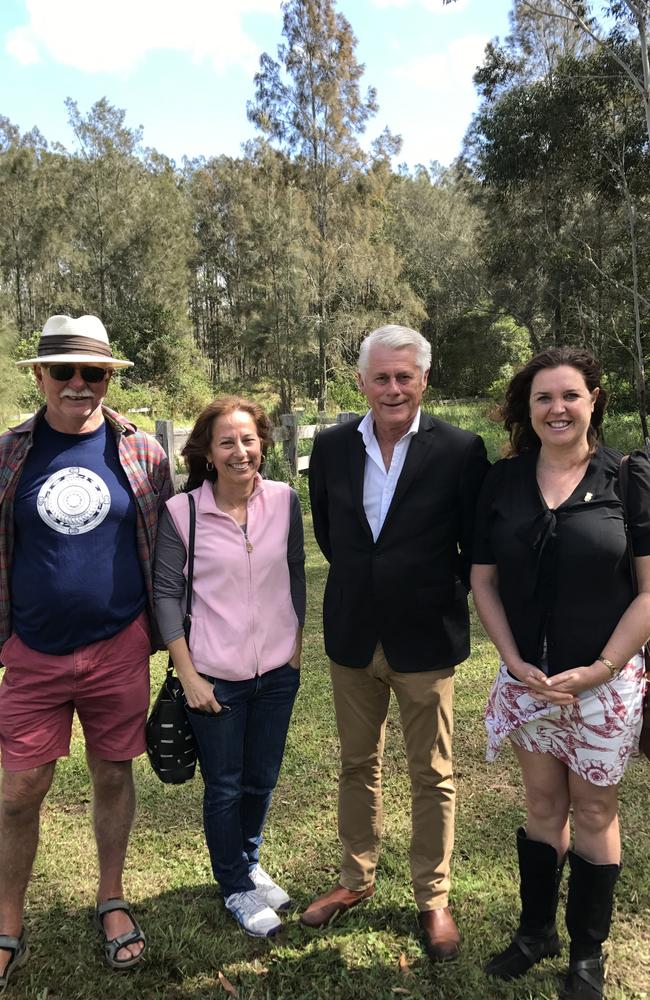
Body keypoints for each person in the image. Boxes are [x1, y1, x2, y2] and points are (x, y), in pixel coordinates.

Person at [301, 324, 489, 961]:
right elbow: (330, 531)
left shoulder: (462, 450)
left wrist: (428, 590)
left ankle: (433, 898)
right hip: (353, 633)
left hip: (425, 638)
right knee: (358, 765)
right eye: (380, 376)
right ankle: (355, 880)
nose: (392, 388)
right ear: (361, 381)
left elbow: (474, 546)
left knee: (432, 774)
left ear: (424, 380)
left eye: (404, 376)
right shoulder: (329, 448)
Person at [0, 314, 173, 991]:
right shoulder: (10, 452)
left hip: (117, 646)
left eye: (93, 372)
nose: (79, 384)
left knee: (112, 774)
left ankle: (112, 898)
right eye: (64, 371)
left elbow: (165, 551)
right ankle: (8, 919)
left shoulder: (142, 454)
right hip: (33, 653)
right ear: (39, 377)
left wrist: (159, 636)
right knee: (20, 791)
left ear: (108, 378)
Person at [471, 347, 650, 1000]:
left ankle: (586, 955)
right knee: (544, 806)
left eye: (570, 395)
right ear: (529, 407)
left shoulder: (627, 478)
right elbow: (482, 581)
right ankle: (535, 934)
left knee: (596, 809)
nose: (557, 408)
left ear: (594, 399)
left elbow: (648, 593)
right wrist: (514, 661)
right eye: (544, 397)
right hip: (528, 686)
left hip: (605, 687)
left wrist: (601, 668)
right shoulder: (503, 481)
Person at [153, 396, 305, 938]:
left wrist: (297, 640)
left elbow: (294, 570)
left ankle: (248, 861)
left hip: (277, 674)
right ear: (208, 453)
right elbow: (166, 595)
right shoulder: (183, 512)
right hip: (214, 675)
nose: (240, 451)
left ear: (262, 443)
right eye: (227, 442)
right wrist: (188, 674)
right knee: (225, 785)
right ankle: (236, 886)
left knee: (261, 780)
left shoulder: (286, 501)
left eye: (248, 439)